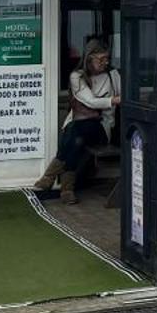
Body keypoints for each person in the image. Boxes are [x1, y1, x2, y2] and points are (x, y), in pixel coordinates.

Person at [32, 38, 120, 204]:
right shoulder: (77, 76)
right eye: (100, 59)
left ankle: (50, 178)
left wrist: (117, 99)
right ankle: (67, 189)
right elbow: (90, 101)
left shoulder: (113, 76)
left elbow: (124, 96)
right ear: (88, 59)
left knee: (76, 133)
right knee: (77, 138)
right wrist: (113, 100)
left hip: (101, 127)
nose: (105, 63)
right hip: (77, 126)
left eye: (107, 59)